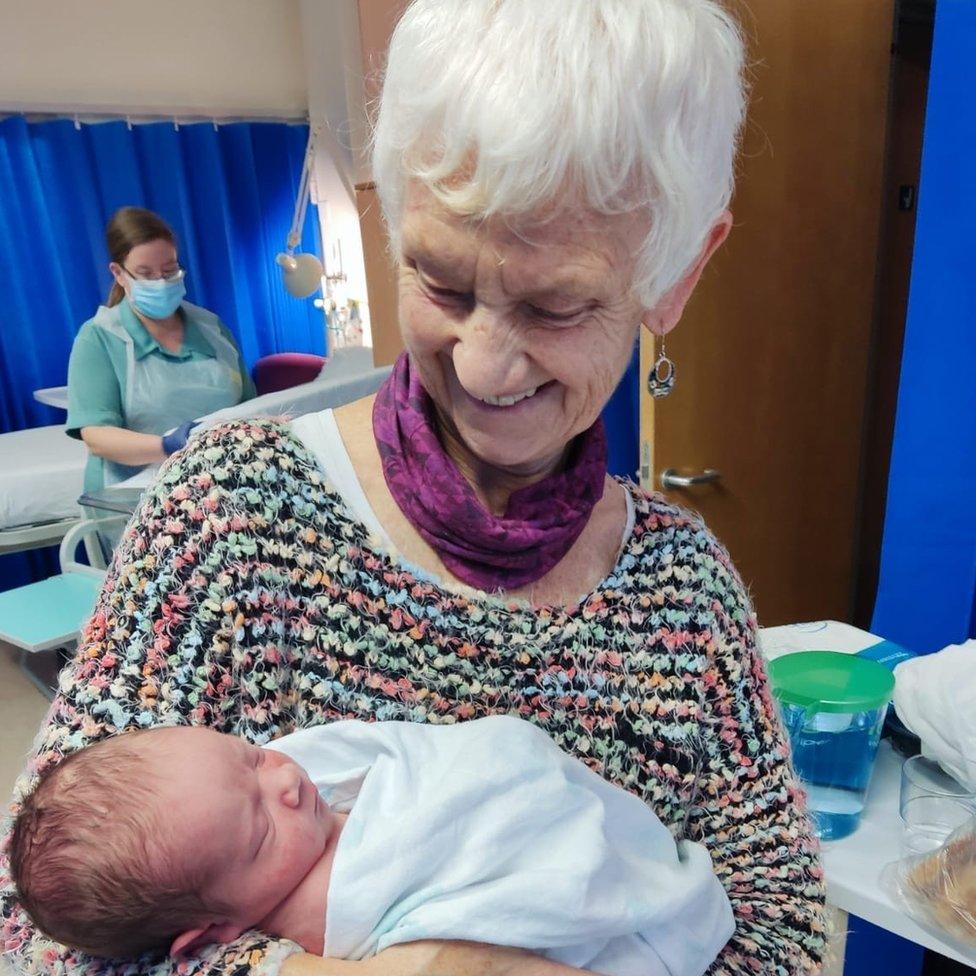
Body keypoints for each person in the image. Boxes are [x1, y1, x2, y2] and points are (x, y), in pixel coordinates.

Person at [1, 3, 828, 976]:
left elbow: (783, 923)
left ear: (676, 273)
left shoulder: (680, 591)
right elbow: (39, 933)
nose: (482, 368)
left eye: (554, 303)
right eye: (440, 283)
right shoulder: (230, 519)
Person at [11, 718, 735, 976]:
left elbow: (431, 760)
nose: (288, 782)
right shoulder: (314, 919)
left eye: (250, 755)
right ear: (217, 933)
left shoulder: (270, 797)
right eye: (261, 830)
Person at [65, 206, 256, 491]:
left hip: (222, 483)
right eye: (146, 274)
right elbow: (97, 437)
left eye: (169, 271)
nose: (161, 282)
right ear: (119, 273)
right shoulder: (99, 338)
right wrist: (167, 446)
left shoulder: (212, 329)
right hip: (137, 496)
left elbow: (251, 406)